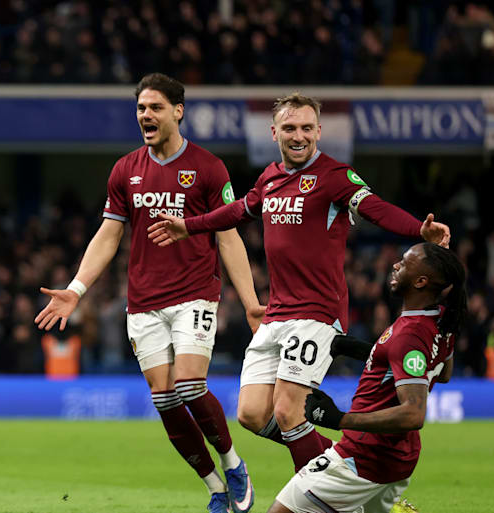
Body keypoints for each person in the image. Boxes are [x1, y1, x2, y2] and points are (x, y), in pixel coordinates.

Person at [147, 92, 451, 473]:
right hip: (277, 315)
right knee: (253, 414)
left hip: (317, 314)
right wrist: (187, 226)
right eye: (290, 127)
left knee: (289, 410)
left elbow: (375, 208)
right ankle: (350, 468)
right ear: (274, 132)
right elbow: (238, 210)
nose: (299, 135)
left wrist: (417, 230)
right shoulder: (269, 178)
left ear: (319, 132)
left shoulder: (335, 177)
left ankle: (317, 496)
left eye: (307, 128)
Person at [35, 73, 264, 513]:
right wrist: (76, 289)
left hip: (195, 293)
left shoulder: (209, 168)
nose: (146, 115)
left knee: (190, 383)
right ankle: (215, 486)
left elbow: (229, 238)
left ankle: (234, 464)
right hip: (143, 302)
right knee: (163, 398)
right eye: (141, 108)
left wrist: (251, 301)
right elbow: (108, 234)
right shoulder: (125, 170)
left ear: (178, 111)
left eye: (155, 107)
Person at [267, 242, 467, 513]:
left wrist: (340, 419)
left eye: (405, 263)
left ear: (421, 281)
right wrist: (368, 351)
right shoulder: (441, 320)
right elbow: (441, 372)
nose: (396, 265)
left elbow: (413, 414)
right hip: (398, 457)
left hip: (364, 456)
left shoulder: (410, 334)